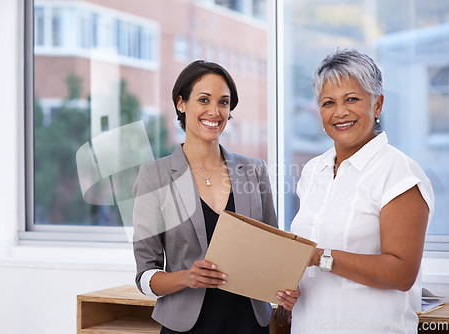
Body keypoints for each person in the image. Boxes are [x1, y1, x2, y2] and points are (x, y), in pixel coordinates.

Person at [132, 60, 299, 333]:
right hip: (187, 326)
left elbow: (273, 255)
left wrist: (285, 292)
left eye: (223, 102)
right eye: (204, 100)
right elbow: (145, 276)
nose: (215, 111)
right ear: (181, 104)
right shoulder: (155, 177)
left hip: (249, 323)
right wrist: (187, 277)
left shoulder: (254, 171)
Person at [290, 49, 434, 333]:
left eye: (352, 99)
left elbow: (401, 273)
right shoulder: (312, 171)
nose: (340, 112)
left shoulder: (399, 173)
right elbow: (303, 258)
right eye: (328, 102)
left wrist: (319, 257)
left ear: (377, 105)